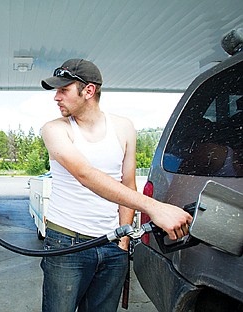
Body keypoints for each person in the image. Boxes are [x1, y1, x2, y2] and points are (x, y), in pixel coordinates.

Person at [39, 59, 192, 312]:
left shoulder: (123, 127)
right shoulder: (54, 129)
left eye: (63, 90)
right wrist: (156, 208)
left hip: (112, 243)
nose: (56, 97)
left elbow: (128, 182)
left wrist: (122, 238)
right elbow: (86, 174)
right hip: (66, 243)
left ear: (88, 91)